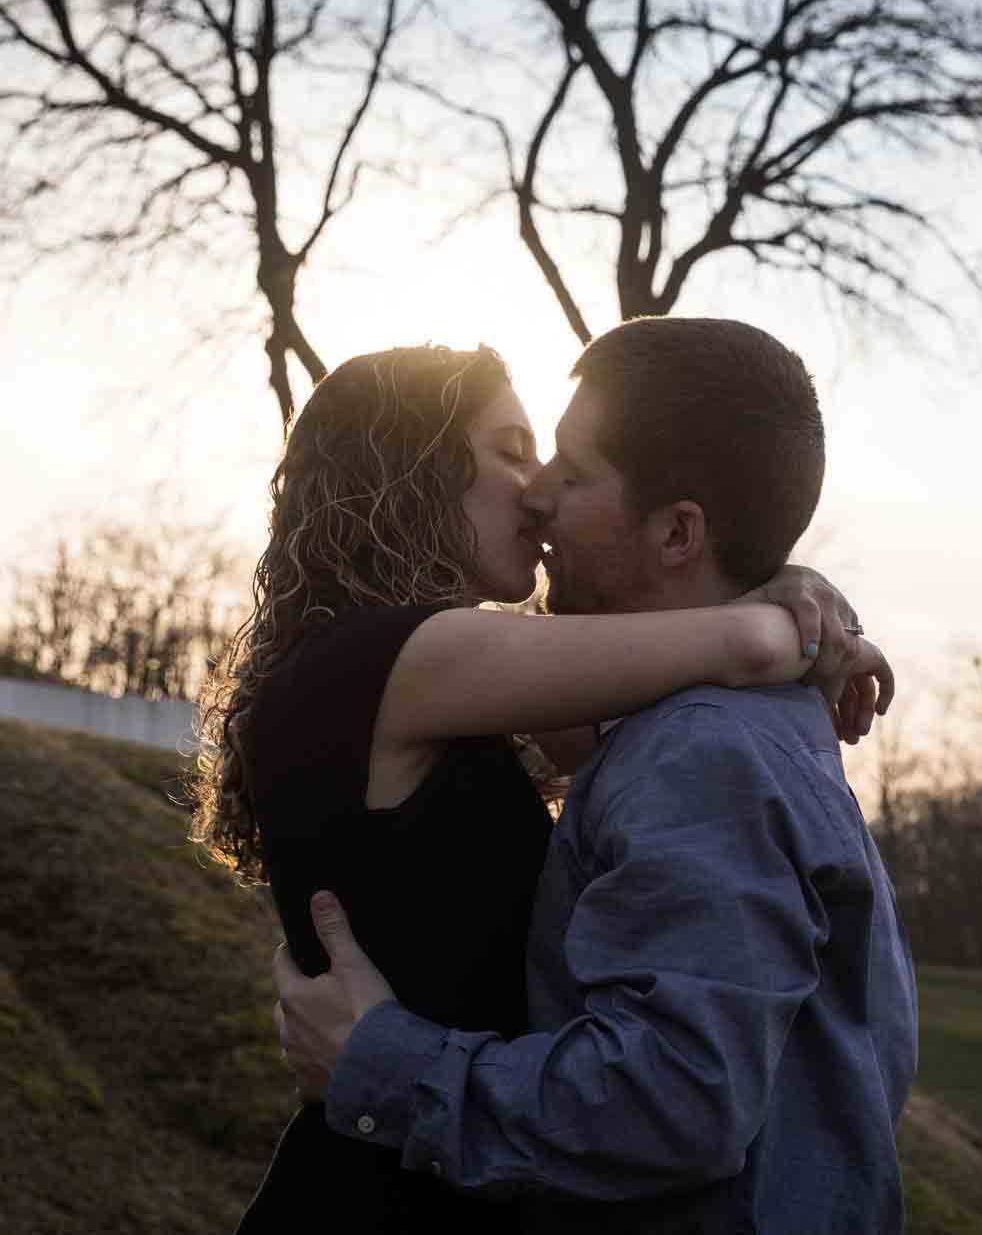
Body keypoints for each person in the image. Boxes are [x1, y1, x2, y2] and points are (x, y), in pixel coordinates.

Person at [187, 339, 891, 1233]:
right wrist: (788, 608)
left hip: (441, 1169)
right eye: (511, 450)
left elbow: (642, 716)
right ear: (409, 465)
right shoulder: (388, 659)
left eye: (549, 457)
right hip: (383, 1197)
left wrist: (785, 581)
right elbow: (741, 648)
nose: (534, 488)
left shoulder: (445, 688)